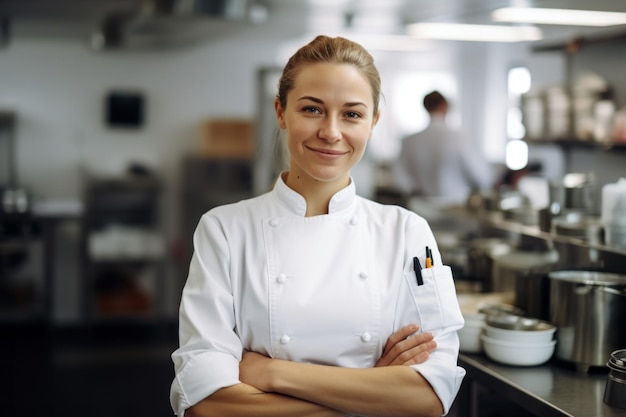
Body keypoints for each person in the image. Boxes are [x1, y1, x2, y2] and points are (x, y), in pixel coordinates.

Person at [170, 35, 465, 417]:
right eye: (312, 109)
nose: (330, 132)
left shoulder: (407, 232)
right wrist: (373, 390)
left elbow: (430, 397)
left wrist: (271, 372)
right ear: (281, 112)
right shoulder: (225, 230)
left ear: (373, 122)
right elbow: (205, 404)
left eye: (352, 114)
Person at [394, 91, 494, 205]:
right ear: (445, 106)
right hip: (455, 208)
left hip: (421, 208)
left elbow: (400, 179)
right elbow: (481, 177)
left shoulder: (409, 141)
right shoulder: (459, 138)